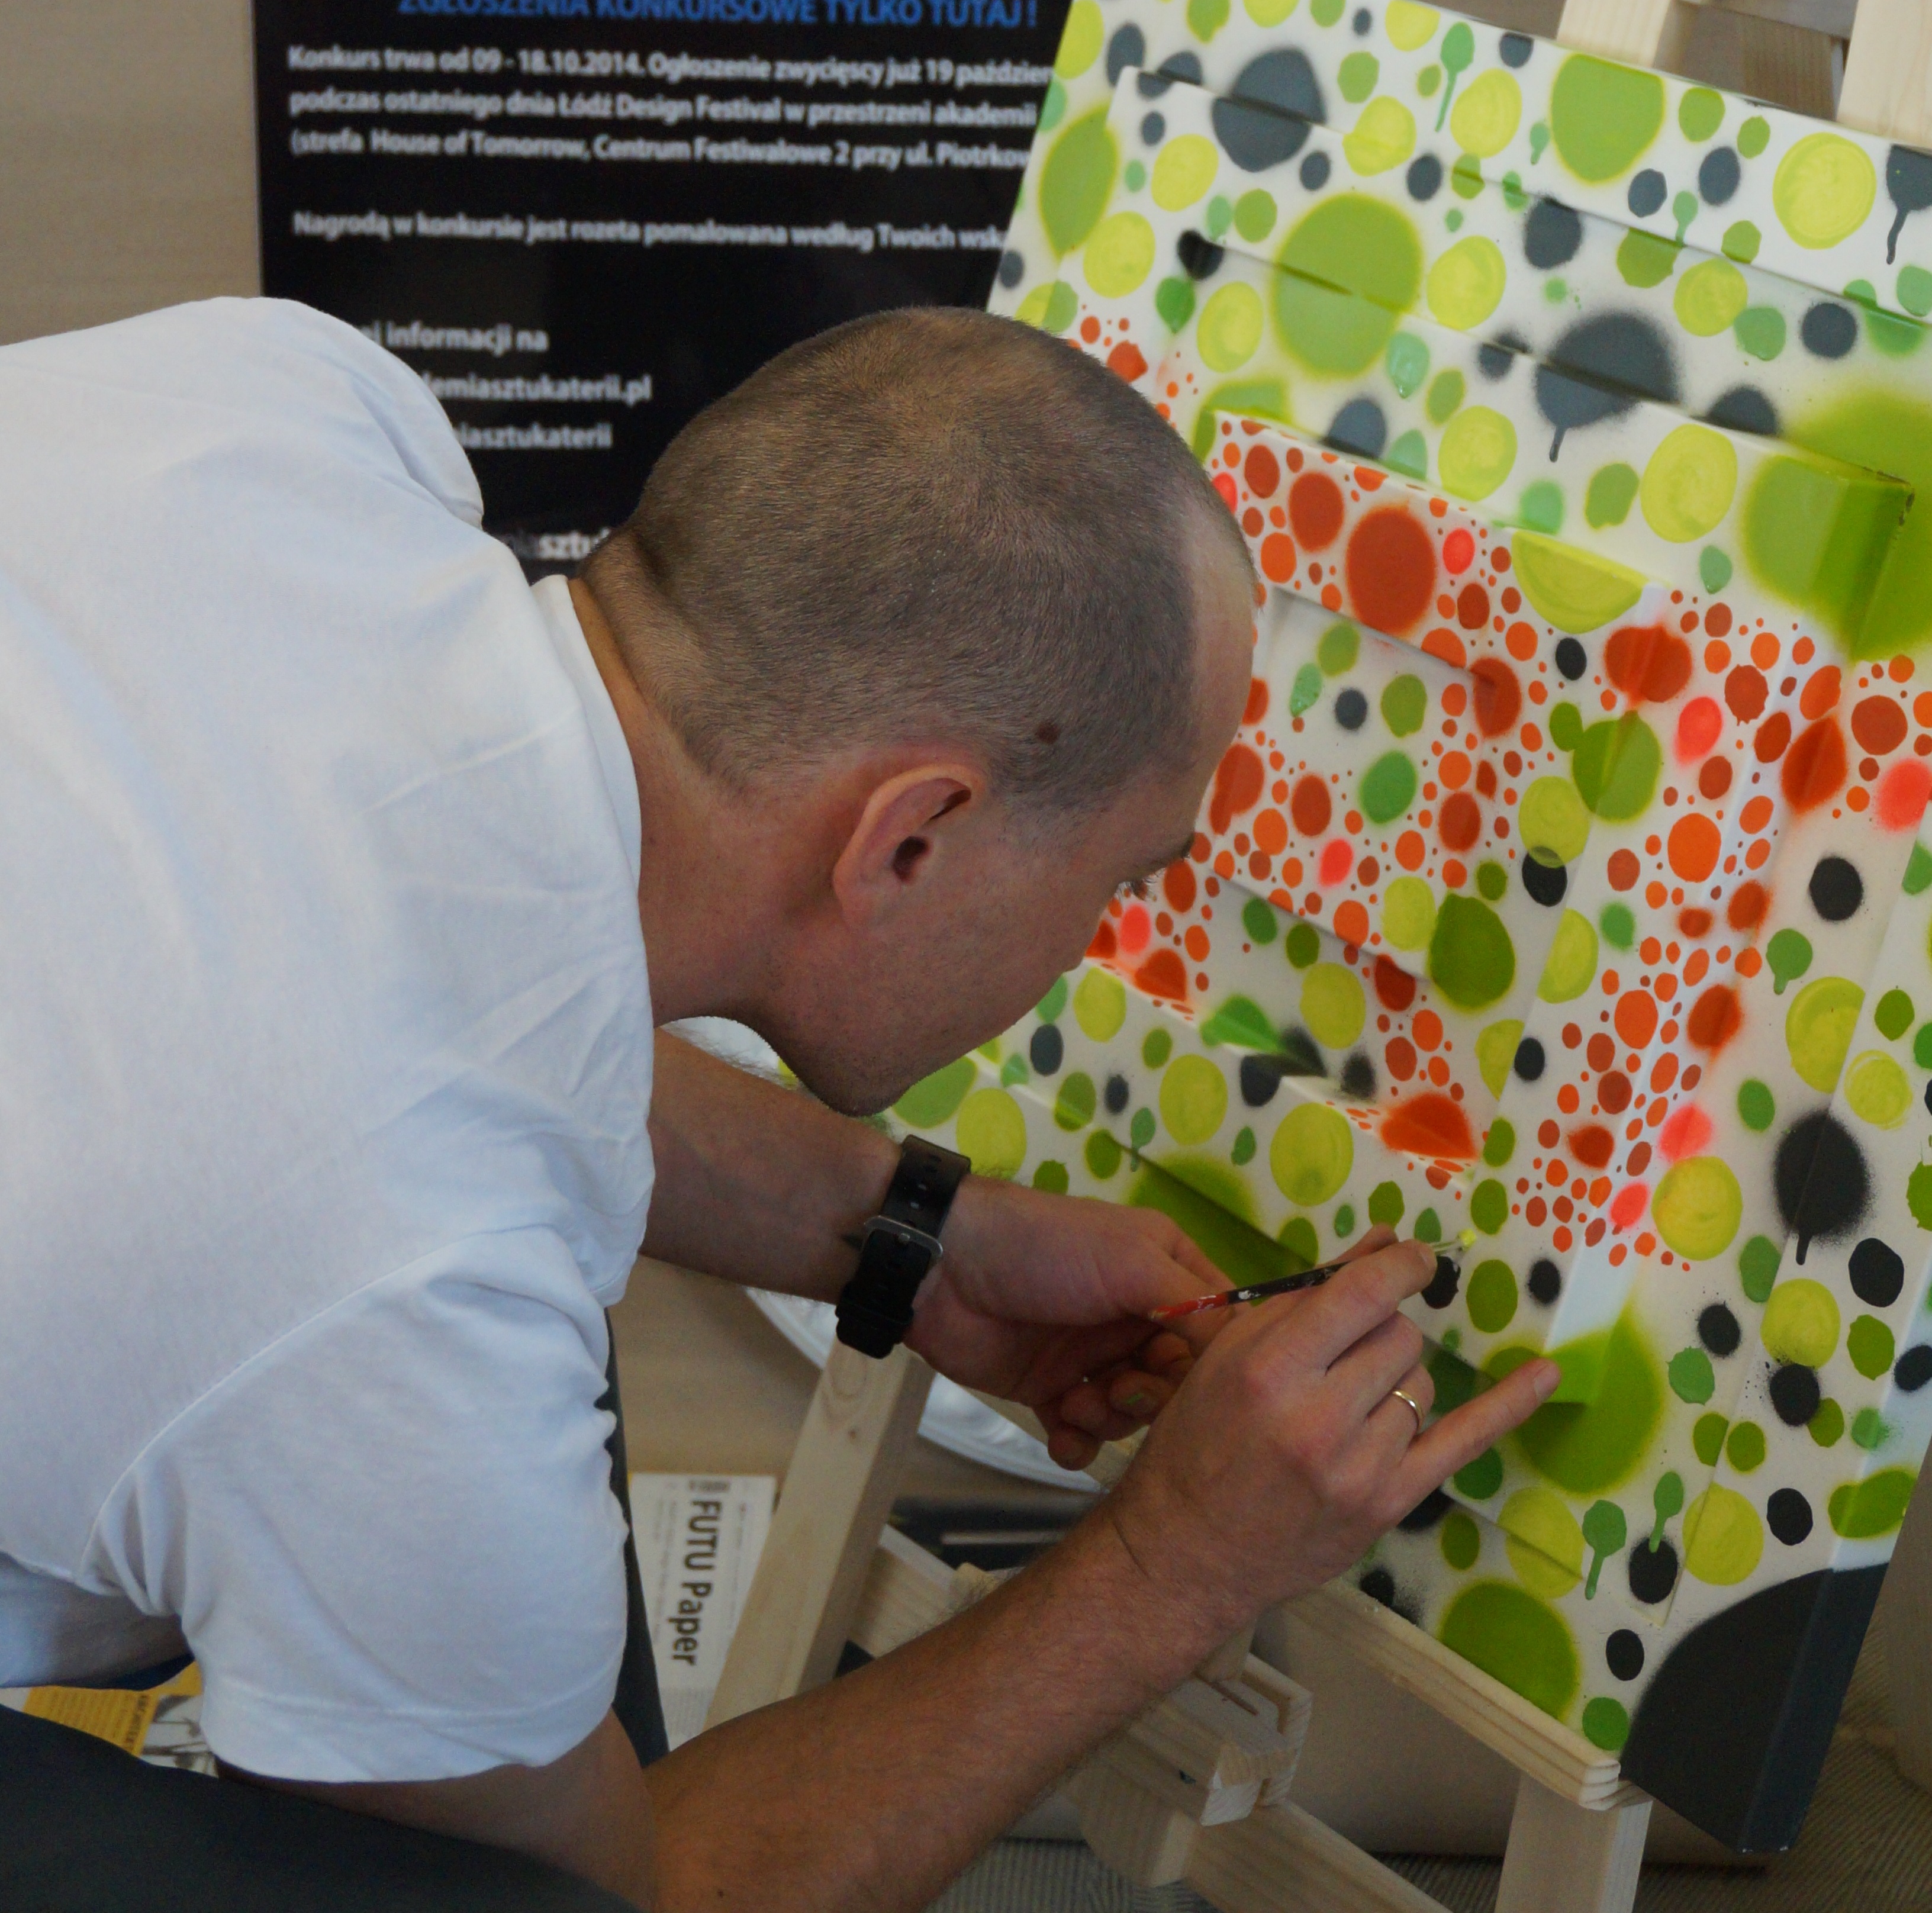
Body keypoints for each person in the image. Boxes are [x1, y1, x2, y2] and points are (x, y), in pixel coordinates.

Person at [0, 294, 1554, 1912]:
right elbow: (636, 1900)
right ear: (911, 839)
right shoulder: (411, 1319)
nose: (1102, 937)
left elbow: (391, 1028)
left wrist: (919, 1243)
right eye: (1119, 876)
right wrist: (1174, 1567)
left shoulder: (276, 400)